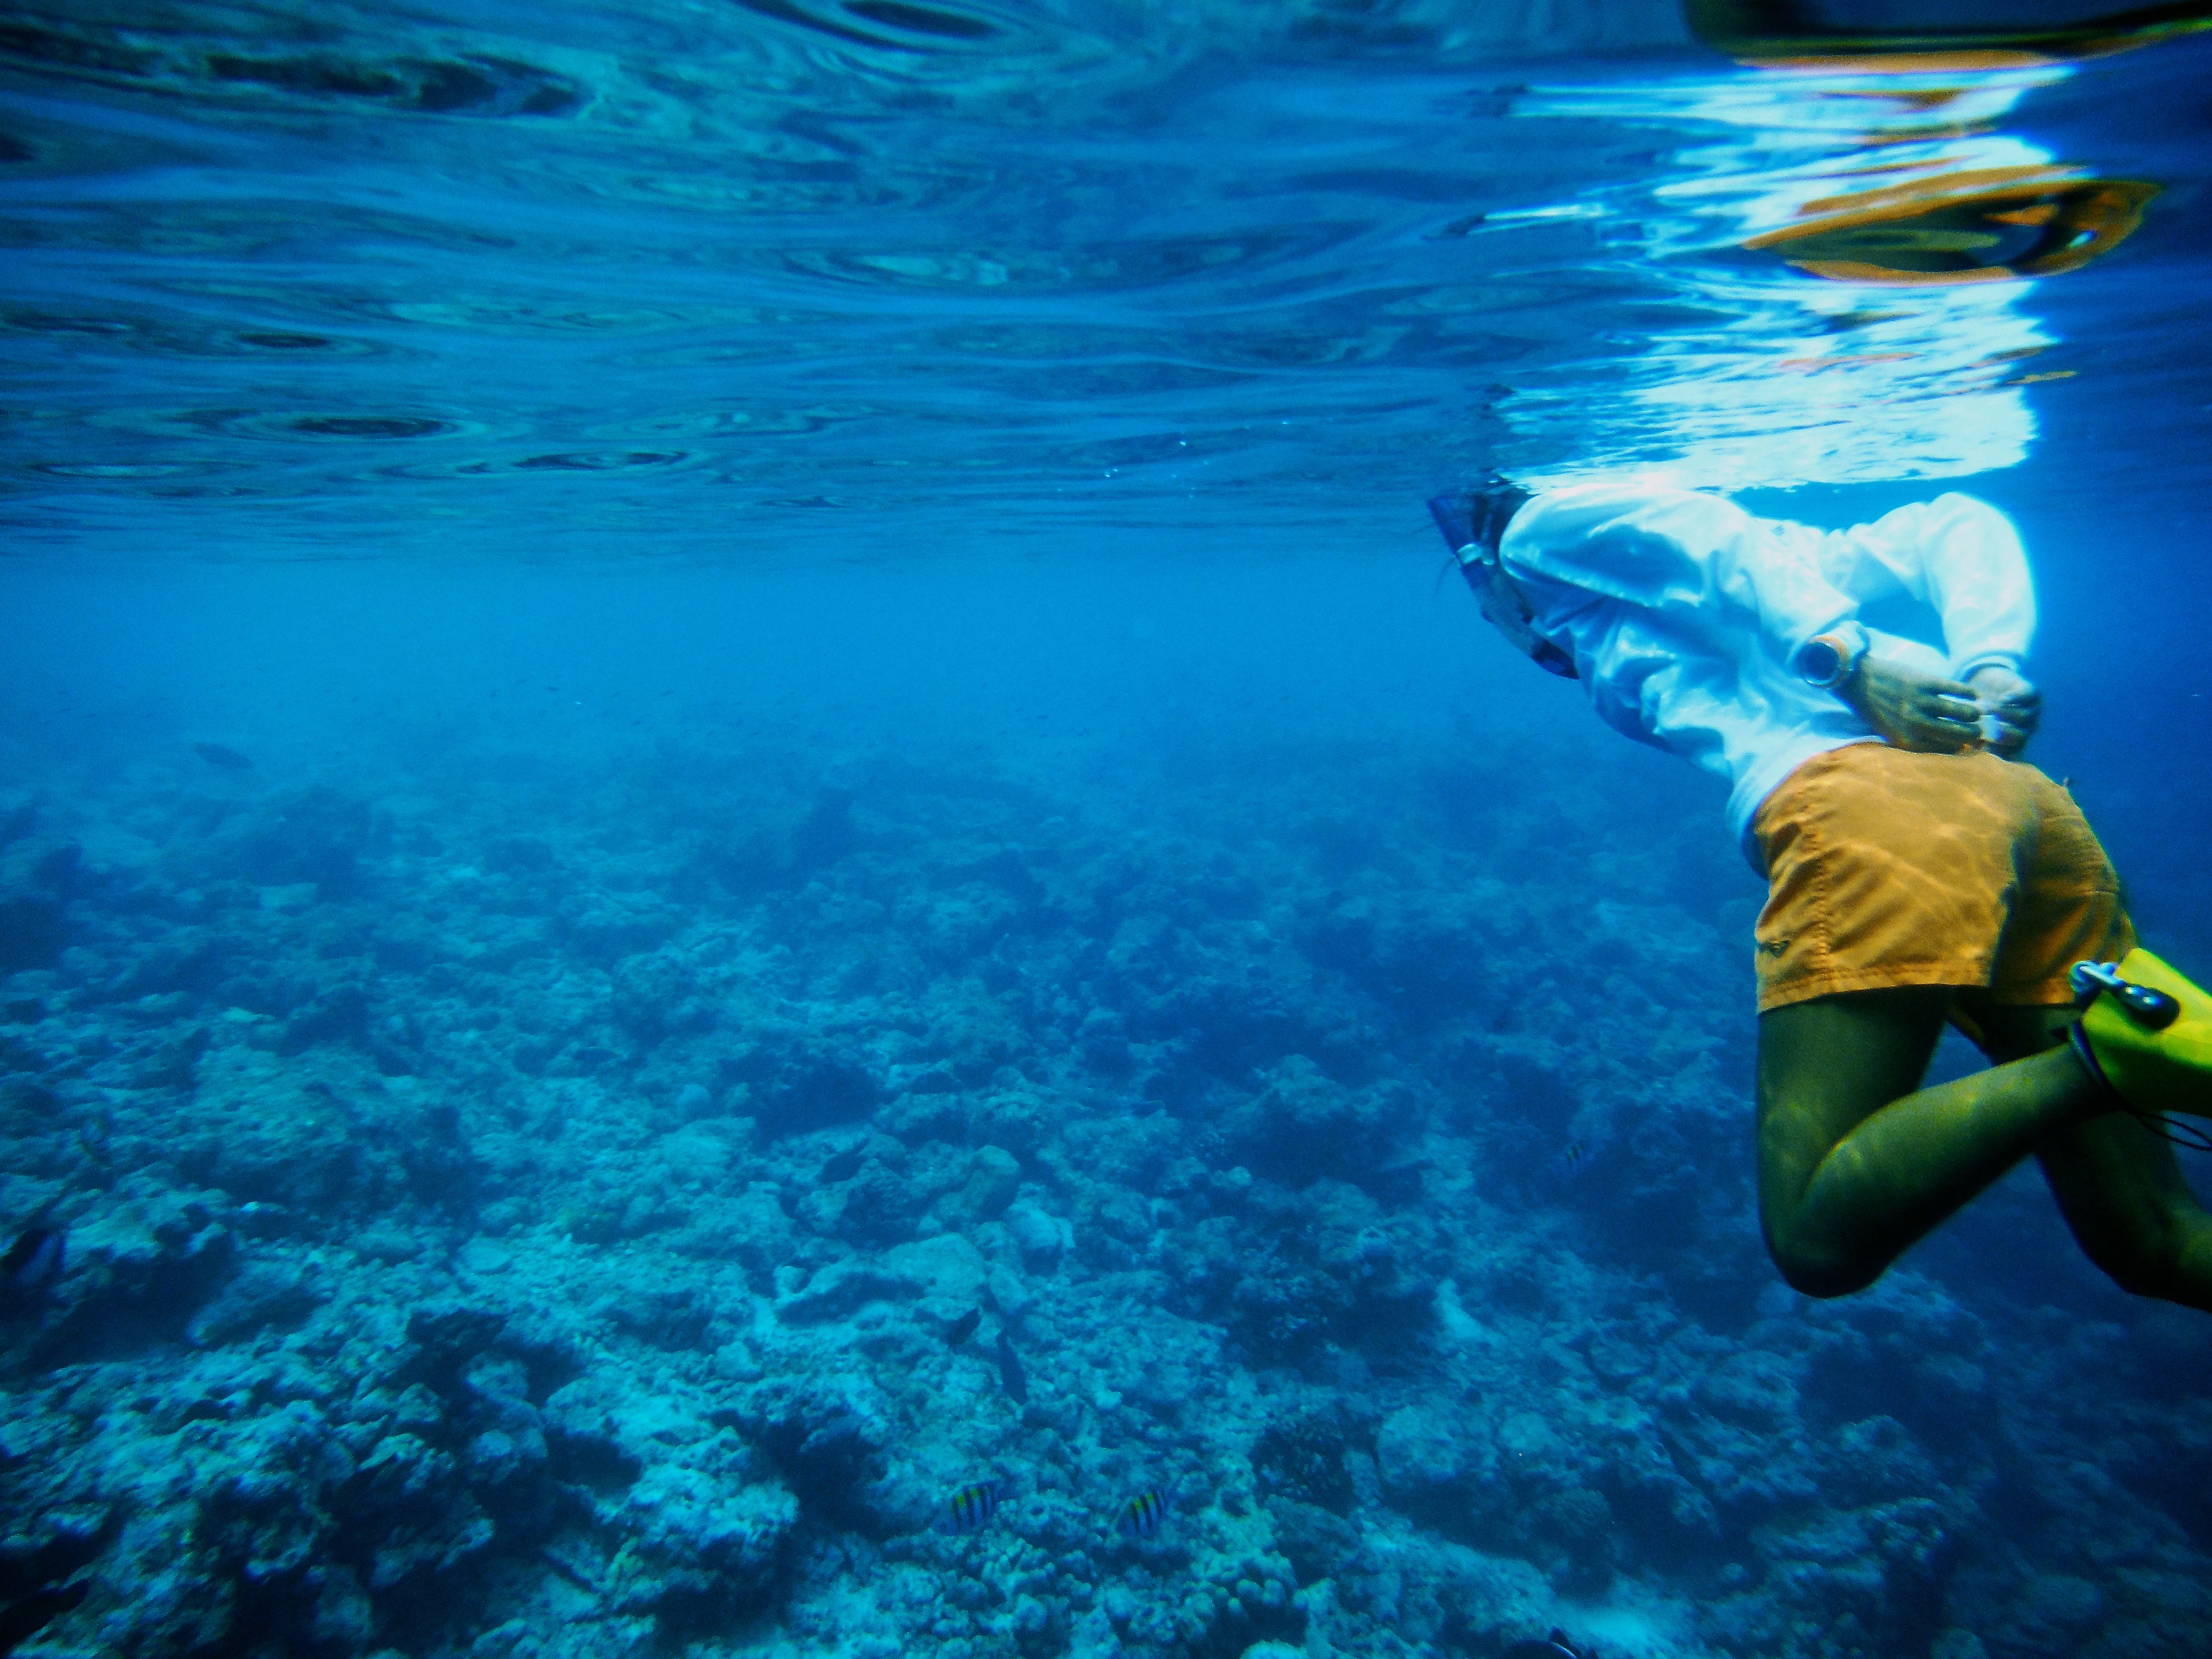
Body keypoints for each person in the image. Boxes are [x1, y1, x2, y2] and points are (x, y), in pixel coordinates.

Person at [1432, 477, 2212, 1309]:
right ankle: (2145, 1039)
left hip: (1878, 821)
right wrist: (1991, 660)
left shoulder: (1542, 531)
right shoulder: (1771, 558)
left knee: (1816, 1235)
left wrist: (1849, 659)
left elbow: (1697, 529)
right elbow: (1953, 523)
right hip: (2015, 802)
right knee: (2154, 1242)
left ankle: (2105, 1059)